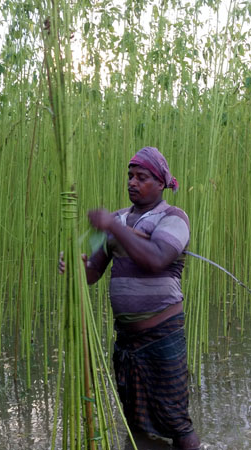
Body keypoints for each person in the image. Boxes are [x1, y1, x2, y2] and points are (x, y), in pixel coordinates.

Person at [59, 147, 200, 450]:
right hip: (126, 340)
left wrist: (112, 228)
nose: (133, 182)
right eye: (130, 176)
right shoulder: (116, 219)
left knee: (176, 420)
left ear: (161, 183)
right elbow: (93, 271)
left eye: (142, 177)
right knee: (134, 419)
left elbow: (157, 257)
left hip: (162, 335)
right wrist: (73, 267)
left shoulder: (173, 217)